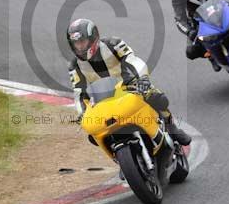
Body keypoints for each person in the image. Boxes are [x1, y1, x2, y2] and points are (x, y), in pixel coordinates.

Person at [67, 18, 191, 146]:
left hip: (128, 85)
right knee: (93, 135)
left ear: (93, 38)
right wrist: (81, 113)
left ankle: (172, 129)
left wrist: (142, 78)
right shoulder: (74, 65)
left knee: (157, 98)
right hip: (102, 98)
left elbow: (132, 60)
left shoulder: (113, 44)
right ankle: (118, 156)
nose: (80, 47)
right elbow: (78, 92)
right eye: (76, 44)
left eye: (83, 42)